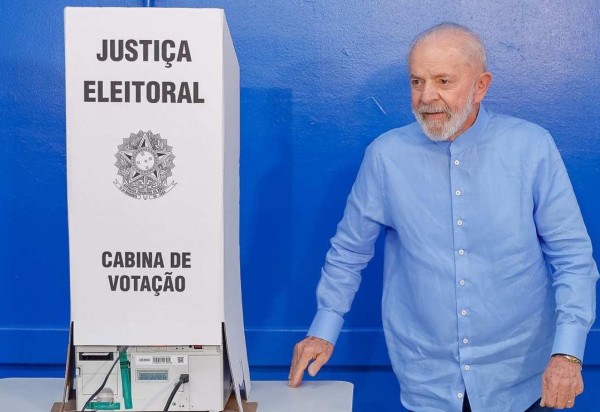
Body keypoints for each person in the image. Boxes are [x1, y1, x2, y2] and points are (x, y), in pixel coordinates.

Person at [288, 23, 598, 411]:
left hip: (522, 380)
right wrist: (324, 328)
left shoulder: (532, 148)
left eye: (443, 81)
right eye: (417, 82)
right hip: (426, 379)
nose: (426, 97)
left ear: (480, 85)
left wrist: (567, 355)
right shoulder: (385, 156)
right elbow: (349, 251)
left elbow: (572, 257)